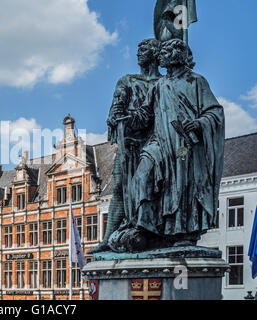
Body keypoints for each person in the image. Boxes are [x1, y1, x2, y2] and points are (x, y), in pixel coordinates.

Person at [113, 39, 225, 252]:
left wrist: (200, 123)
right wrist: (126, 118)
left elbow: (215, 113)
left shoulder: (196, 82)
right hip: (160, 142)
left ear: (177, 55)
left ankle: (182, 231)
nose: (161, 57)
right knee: (141, 176)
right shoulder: (159, 85)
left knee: (182, 186)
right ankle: (146, 227)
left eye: (165, 52)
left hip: (184, 144)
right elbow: (145, 115)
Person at [89, 39, 162, 254]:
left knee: (153, 186)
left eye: (144, 50)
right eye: (138, 50)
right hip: (129, 143)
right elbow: (115, 110)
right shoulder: (127, 81)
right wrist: (117, 118)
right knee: (120, 187)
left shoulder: (163, 84)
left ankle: (150, 230)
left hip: (156, 143)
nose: (139, 54)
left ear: (155, 54)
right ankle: (107, 238)